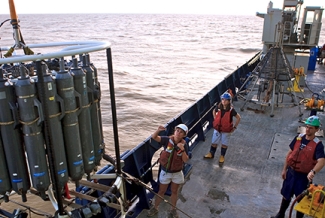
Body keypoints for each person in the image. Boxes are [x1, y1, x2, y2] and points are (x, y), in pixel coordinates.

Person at [271, 115, 325, 218]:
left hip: (303, 177)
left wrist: (313, 172)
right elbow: (290, 153)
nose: (308, 129)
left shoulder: (318, 145)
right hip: (291, 173)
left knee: (302, 200)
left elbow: (322, 161)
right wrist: (284, 169)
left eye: (311, 128)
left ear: (317, 129)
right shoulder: (298, 137)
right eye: (307, 126)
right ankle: (280, 214)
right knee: (286, 194)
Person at [147, 124, 189, 218]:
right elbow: (154, 137)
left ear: (184, 135)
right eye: (177, 130)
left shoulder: (184, 145)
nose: (178, 133)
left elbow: (186, 160)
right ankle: (155, 207)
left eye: (181, 132)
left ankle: (173, 210)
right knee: (161, 191)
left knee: (174, 191)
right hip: (166, 172)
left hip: (177, 172)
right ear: (174, 131)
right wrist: (158, 130)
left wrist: (182, 150)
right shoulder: (167, 140)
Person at [203, 92, 241, 163]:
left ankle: (222, 156)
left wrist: (234, 127)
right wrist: (215, 119)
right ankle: (211, 153)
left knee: (224, 143)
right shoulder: (219, 106)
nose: (223, 101)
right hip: (217, 128)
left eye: (226, 100)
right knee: (214, 142)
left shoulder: (231, 110)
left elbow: (238, 117)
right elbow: (214, 111)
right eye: (223, 99)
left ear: (229, 101)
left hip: (226, 130)